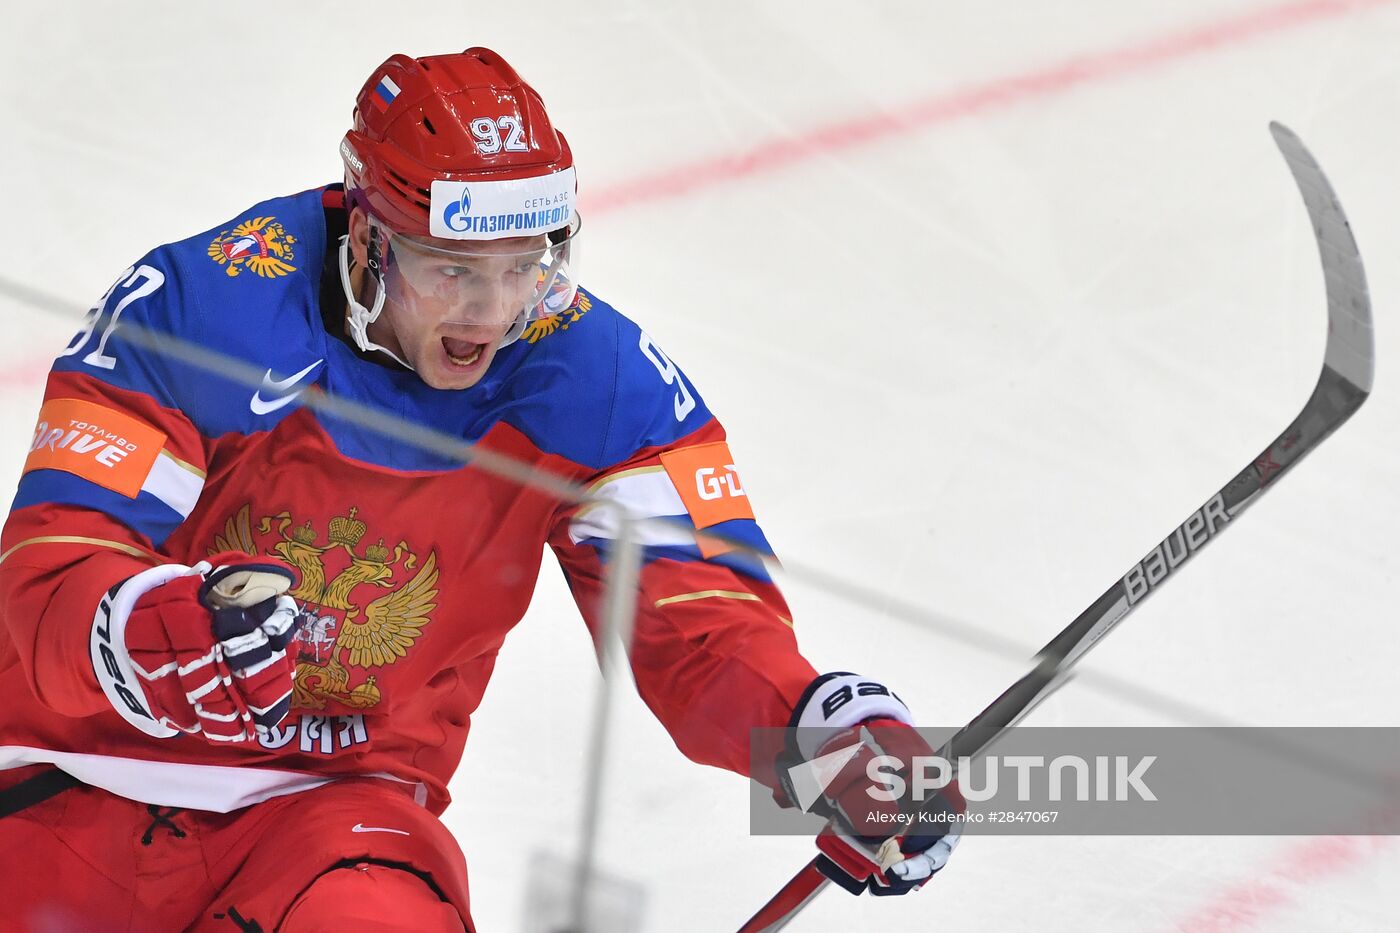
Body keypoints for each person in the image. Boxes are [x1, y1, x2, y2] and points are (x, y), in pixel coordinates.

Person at [0, 48, 957, 930]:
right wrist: (150, 628)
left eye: (526, 266)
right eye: (453, 269)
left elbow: (703, 626)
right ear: (369, 236)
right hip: (70, 775)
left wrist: (823, 734)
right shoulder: (204, 305)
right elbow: (52, 559)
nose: (493, 312)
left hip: (336, 825)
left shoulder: (597, 383)